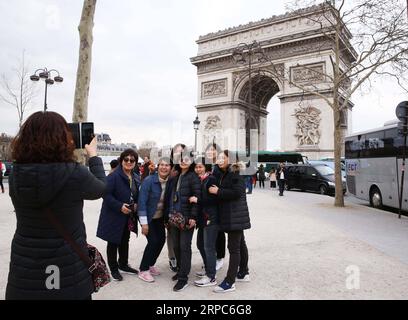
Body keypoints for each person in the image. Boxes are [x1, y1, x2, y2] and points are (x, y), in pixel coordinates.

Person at [5, 111, 106, 300]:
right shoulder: (75, 173)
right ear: (63, 138)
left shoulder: (15, 174)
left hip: (26, 265)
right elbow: (101, 189)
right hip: (65, 265)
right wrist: (93, 157)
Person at [209, 150, 251, 293]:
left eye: (223, 157)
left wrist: (218, 191)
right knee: (240, 244)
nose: (219, 159)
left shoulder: (235, 173)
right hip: (233, 214)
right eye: (219, 157)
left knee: (234, 248)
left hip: (234, 215)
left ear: (231, 160)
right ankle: (244, 272)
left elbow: (238, 192)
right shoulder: (225, 173)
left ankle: (229, 282)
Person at [97, 149, 140, 281]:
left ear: (135, 162)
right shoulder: (113, 176)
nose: (128, 162)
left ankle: (123, 264)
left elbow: (136, 194)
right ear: (121, 161)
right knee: (113, 242)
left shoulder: (136, 176)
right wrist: (119, 206)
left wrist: (137, 204)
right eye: (126, 159)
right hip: (114, 215)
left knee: (124, 240)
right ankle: (114, 269)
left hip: (128, 216)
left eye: (132, 160)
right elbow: (105, 194)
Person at [165, 147, 201, 292]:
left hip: (186, 217)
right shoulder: (175, 176)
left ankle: (183, 278)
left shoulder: (193, 177)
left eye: (186, 158)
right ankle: (181, 270)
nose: (183, 161)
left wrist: (193, 216)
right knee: (176, 246)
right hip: (174, 216)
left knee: (184, 247)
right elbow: (169, 197)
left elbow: (196, 198)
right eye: (181, 158)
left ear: (191, 161)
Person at [137, 157, 172, 283]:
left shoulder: (170, 182)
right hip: (148, 216)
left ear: (170, 168)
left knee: (161, 240)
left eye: (167, 165)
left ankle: (150, 264)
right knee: (153, 241)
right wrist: (144, 223)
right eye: (162, 165)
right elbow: (141, 202)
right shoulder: (149, 181)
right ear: (158, 166)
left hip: (159, 217)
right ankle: (143, 269)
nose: (164, 167)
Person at [189, 157, 219, 287]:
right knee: (201, 245)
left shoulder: (210, 179)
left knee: (208, 247)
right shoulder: (200, 180)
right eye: (196, 167)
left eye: (200, 167)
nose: (198, 169)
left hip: (211, 218)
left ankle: (211, 277)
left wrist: (197, 200)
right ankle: (209, 269)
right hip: (203, 219)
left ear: (206, 167)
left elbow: (214, 201)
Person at [204, 142, 225, 271]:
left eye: (213, 150)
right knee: (212, 235)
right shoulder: (209, 166)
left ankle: (220, 257)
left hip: (218, 202)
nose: (211, 152)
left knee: (219, 233)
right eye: (209, 150)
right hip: (209, 204)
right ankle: (213, 258)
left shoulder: (220, 166)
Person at [166, 143, 186, 273]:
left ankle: (182, 260)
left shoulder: (187, 167)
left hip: (184, 207)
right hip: (170, 206)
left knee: (183, 238)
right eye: (177, 153)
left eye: (181, 152)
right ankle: (172, 258)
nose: (179, 155)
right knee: (171, 235)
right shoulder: (169, 168)